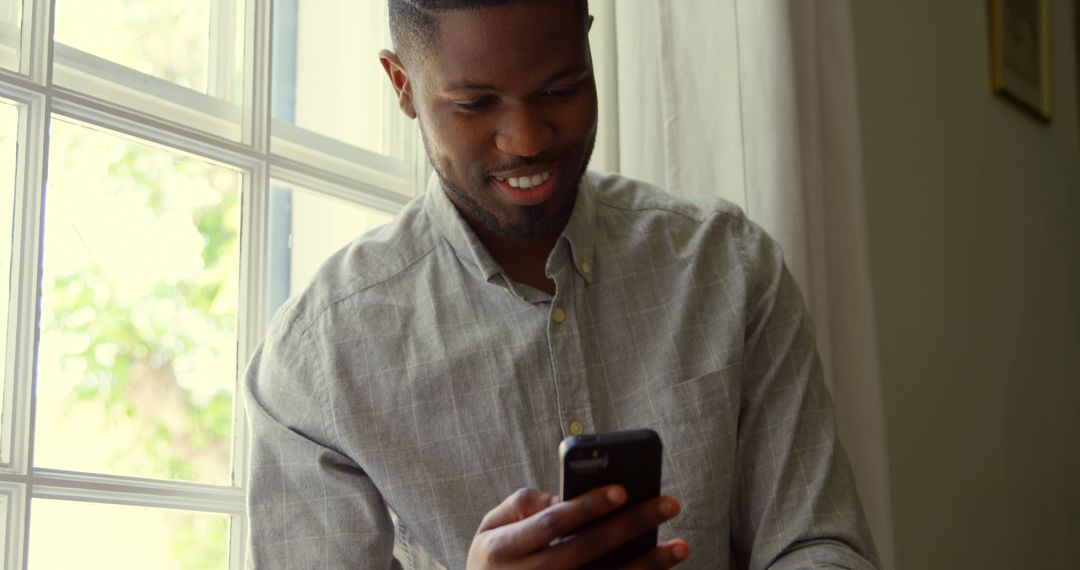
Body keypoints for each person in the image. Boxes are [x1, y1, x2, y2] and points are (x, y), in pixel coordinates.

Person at [244, 0, 880, 568]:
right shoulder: (316, 363)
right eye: (475, 104)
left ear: (587, 43)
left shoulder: (730, 266)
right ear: (402, 85)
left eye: (560, 88)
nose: (525, 140)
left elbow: (819, 546)